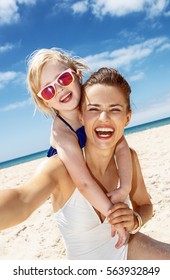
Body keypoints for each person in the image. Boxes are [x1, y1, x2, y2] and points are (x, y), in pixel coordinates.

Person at [0, 67, 170, 260]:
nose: (104, 118)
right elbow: (23, 200)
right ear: (81, 115)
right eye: (94, 109)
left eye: (114, 109)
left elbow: (145, 205)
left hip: (128, 248)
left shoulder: (128, 158)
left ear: (127, 118)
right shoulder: (60, 167)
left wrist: (135, 220)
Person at [27, 48, 133, 248]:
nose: (59, 89)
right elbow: (83, 182)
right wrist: (114, 217)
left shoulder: (94, 106)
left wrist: (125, 187)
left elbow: (121, 145)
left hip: (96, 181)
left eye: (64, 79)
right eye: (49, 90)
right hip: (74, 195)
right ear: (44, 100)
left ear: (78, 74)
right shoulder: (62, 132)